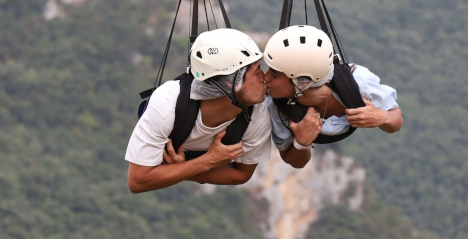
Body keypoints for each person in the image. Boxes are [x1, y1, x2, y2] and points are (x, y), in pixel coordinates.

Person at [126, 28, 272, 193]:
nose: (265, 77)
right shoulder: (168, 103)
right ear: (231, 82)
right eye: (257, 72)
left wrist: (183, 168)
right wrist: (208, 161)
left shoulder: (258, 115)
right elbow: (137, 181)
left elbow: (241, 174)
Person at [263, 25, 403, 168]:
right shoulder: (278, 106)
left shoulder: (356, 82)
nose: (265, 77)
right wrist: (300, 143)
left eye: (274, 74)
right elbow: (294, 161)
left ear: (302, 82)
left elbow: (396, 122)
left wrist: (382, 117)